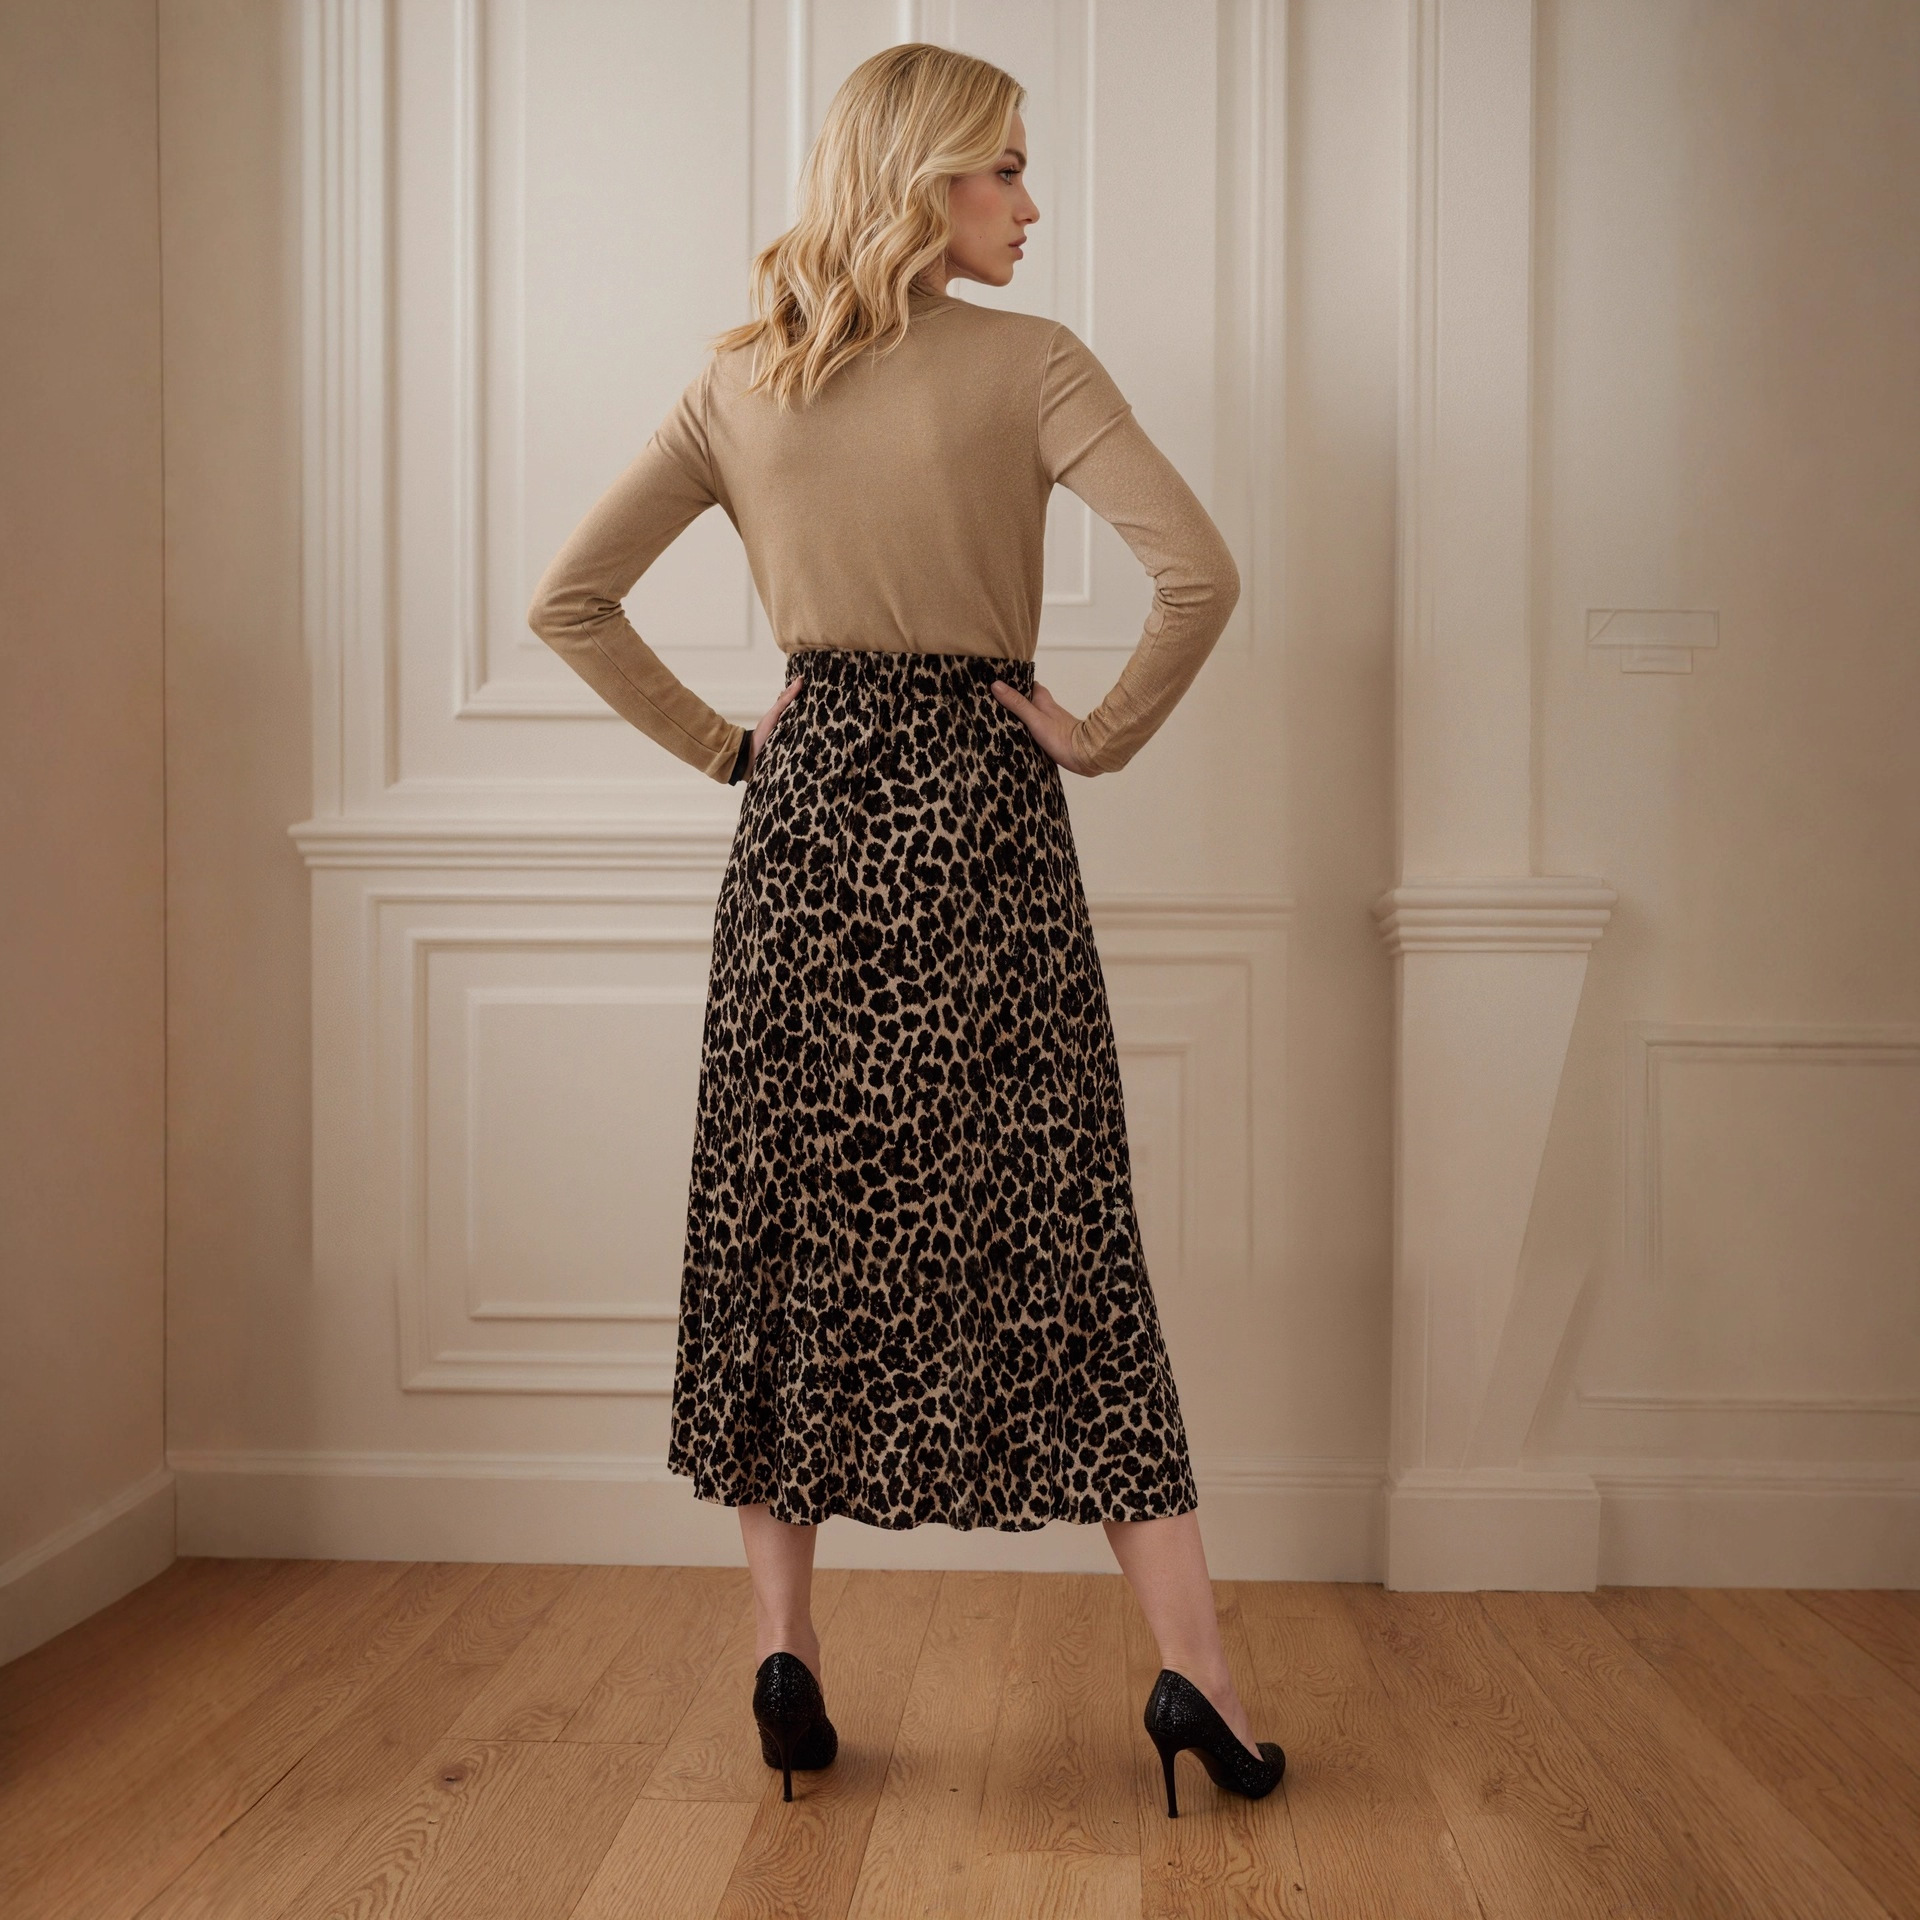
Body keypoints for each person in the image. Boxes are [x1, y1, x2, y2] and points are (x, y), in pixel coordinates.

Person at [526, 41, 1284, 1820]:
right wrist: (1096, 734)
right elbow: (1201, 574)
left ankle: (784, 1655)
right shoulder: (1034, 364)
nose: (1031, 203)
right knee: (1063, 1236)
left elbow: (568, 601)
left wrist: (734, 749)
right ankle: (1198, 1675)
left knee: (780, 1235)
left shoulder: (743, 379)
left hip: (803, 840)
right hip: (984, 826)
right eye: (1004, 167)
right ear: (926, 178)